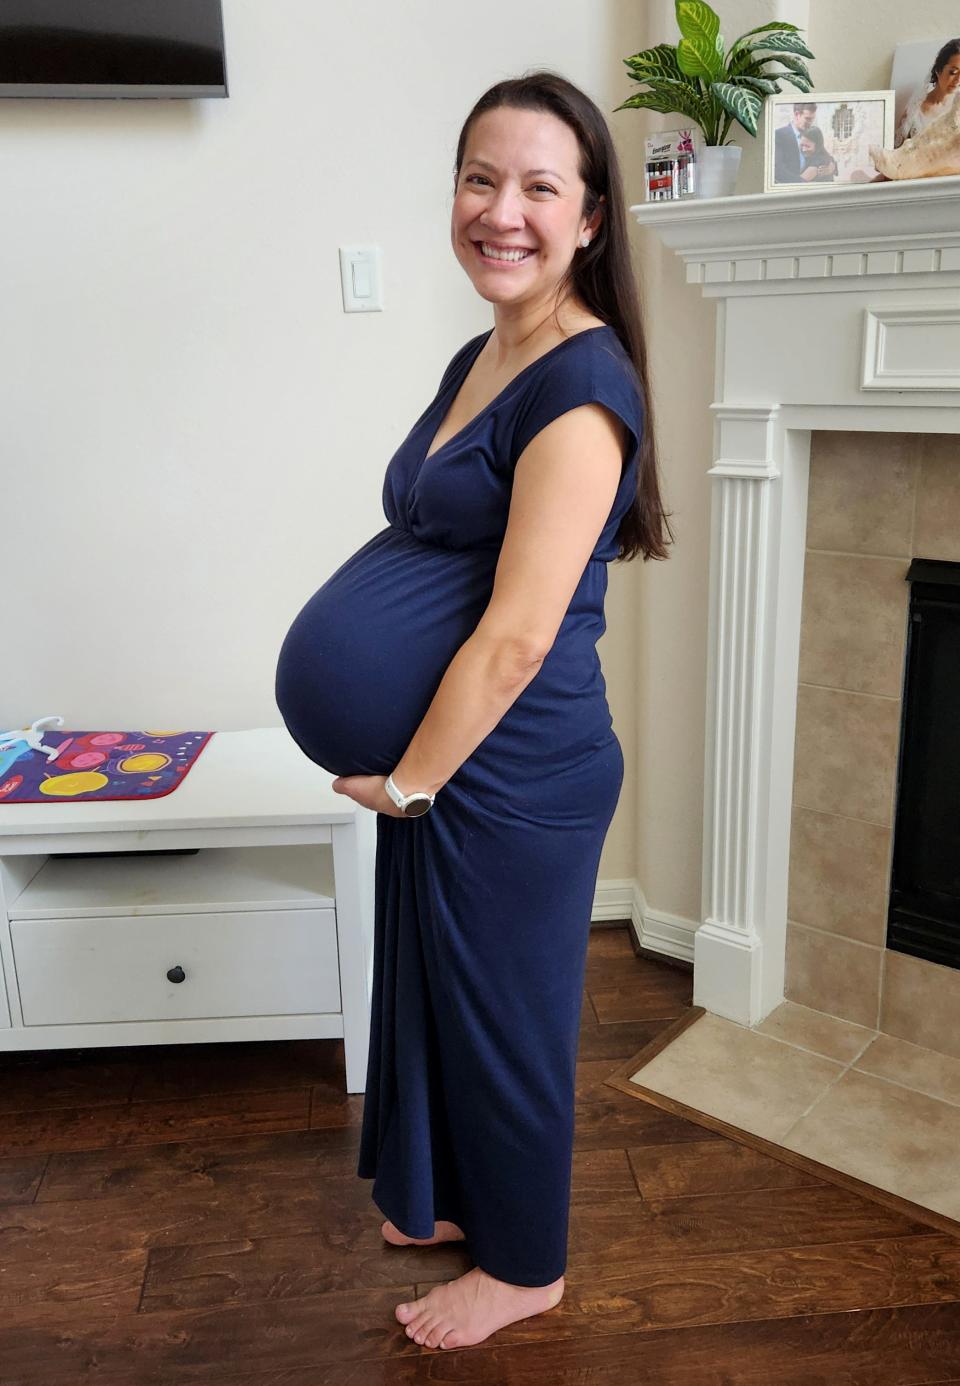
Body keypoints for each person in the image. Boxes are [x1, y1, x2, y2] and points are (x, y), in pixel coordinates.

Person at [274, 69, 672, 1351]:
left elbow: (513, 640)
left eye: (539, 187)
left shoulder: (584, 387)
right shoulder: (491, 350)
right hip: (454, 761)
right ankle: (449, 1200)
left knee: (507, 1020)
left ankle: (527, 1268)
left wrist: (414, 781)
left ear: (592, 218)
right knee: (442, 991)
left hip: (512, 768)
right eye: (479, 179)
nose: (502, 211)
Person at [896, 38, 960, 145]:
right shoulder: (914, 111)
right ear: (938, 71)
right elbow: (898, 152)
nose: (958, 80)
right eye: (953, 72)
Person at [774, 101, 819, 182]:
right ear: (797, 114)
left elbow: (822, 153)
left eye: (812, 119)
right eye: (808, 119)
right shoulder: (779, 135)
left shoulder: (812, 134)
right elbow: (778, 170)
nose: (810, 123)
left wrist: (832, 166)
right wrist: (802, 182)